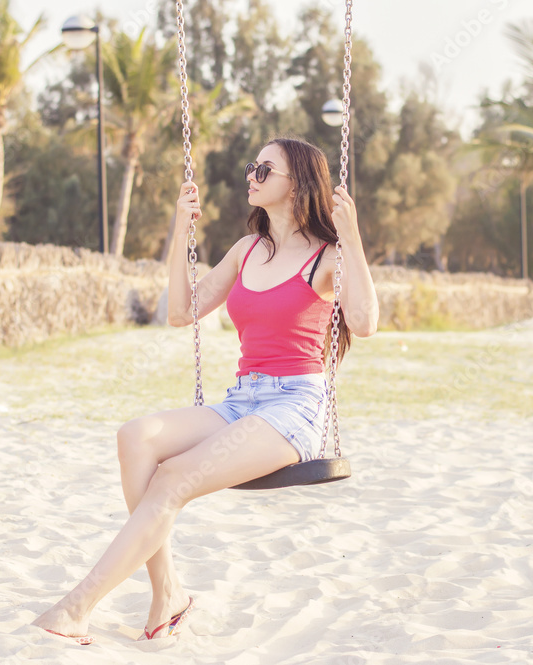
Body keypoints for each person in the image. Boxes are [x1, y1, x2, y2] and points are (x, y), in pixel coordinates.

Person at [31, 137, 379, 645]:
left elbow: (365, 322)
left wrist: (351, 236)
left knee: (172, 478)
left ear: (298, 184)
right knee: (136, 438)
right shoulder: (247, 251)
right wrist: (181, 228)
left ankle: (76, 605)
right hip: (242, 400)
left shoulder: (326, 259)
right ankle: (167, 591)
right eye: (251, 167)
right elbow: (180, 313)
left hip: (294, 407)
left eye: (265, 170)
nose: (252, 176)